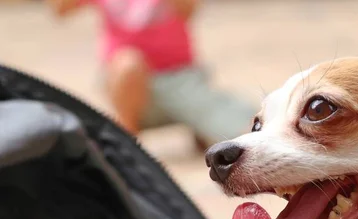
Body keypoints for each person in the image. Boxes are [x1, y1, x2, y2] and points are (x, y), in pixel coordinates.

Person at [46, 0, 256, 149]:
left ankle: (198, 125)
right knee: (128, 63)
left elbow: (189, 9)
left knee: (246, 130)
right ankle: (130, 140)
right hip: (129, 87)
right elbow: (60, 10)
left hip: (180, 80)